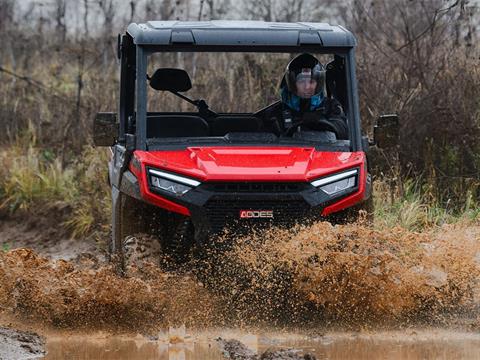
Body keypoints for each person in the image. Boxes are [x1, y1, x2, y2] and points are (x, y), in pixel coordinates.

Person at [266, 53, 348, 140]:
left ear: (318, 84)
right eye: (301, 81)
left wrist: (320, 122)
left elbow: (343, 130)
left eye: (311, 82)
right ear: (292, 83)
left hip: (323, 151)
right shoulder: (275, 112)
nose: (307, 87)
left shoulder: (331, 107)